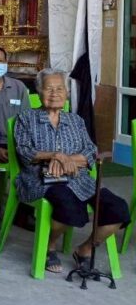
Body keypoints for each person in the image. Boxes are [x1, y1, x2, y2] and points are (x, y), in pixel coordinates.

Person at [14, 68, 131, 274]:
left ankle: (85, 249)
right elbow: (25, 152)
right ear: (39, 92)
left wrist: (67, 160)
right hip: (41, 180)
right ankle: (50, 245)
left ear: (67, 93)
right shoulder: (26, 118)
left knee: (119, 209)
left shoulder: (76, 121)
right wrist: (56, 155)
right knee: (69, 206)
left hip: (79, 180)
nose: (55, 93)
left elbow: (90, 150)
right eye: (49, 88)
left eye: (60, 88)